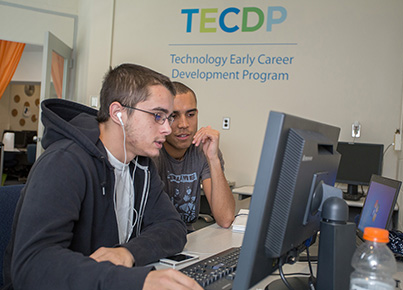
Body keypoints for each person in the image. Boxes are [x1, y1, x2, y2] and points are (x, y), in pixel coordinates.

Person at [2, 64, 202, 290]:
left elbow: (172, 227)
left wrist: (127, 252)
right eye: (158, 116)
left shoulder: (140, 163)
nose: (167, 128)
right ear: (118, 113)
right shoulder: (64, 162)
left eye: (168, 117)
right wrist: (137, 281)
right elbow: (33, 265)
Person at [153, 82, 235, 232]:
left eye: (190, 115)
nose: (184, 124)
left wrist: (213, 159)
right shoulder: (152, 152)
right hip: (159, 239)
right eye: (173, 116)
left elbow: (225, 219)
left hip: (189, 238)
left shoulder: (202, 150)